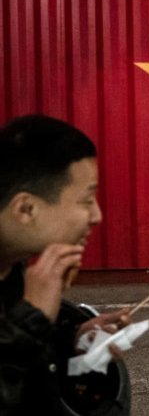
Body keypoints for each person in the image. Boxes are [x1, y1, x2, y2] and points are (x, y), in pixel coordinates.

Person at [0, 114, 130, 415]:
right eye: (86, 200)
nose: (96, 216)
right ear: (26, 208)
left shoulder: (14, 271)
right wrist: (29, 320)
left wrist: (71, 342)